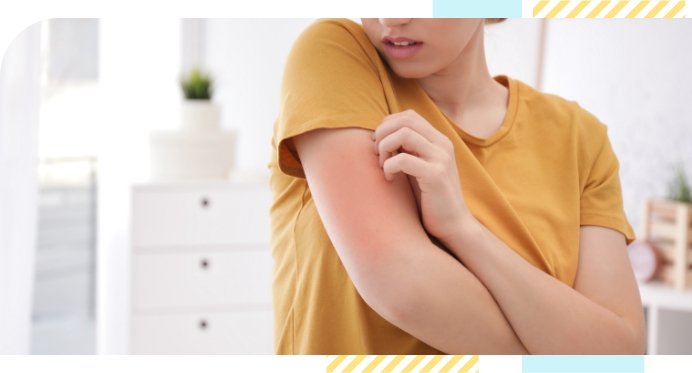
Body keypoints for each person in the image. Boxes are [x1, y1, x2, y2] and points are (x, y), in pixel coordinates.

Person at [268, 18, 646, 355]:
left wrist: (462, 230)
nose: (392, 16)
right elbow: (403, 288)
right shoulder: (333, 56)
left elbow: (621, 354)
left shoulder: (580, 138)